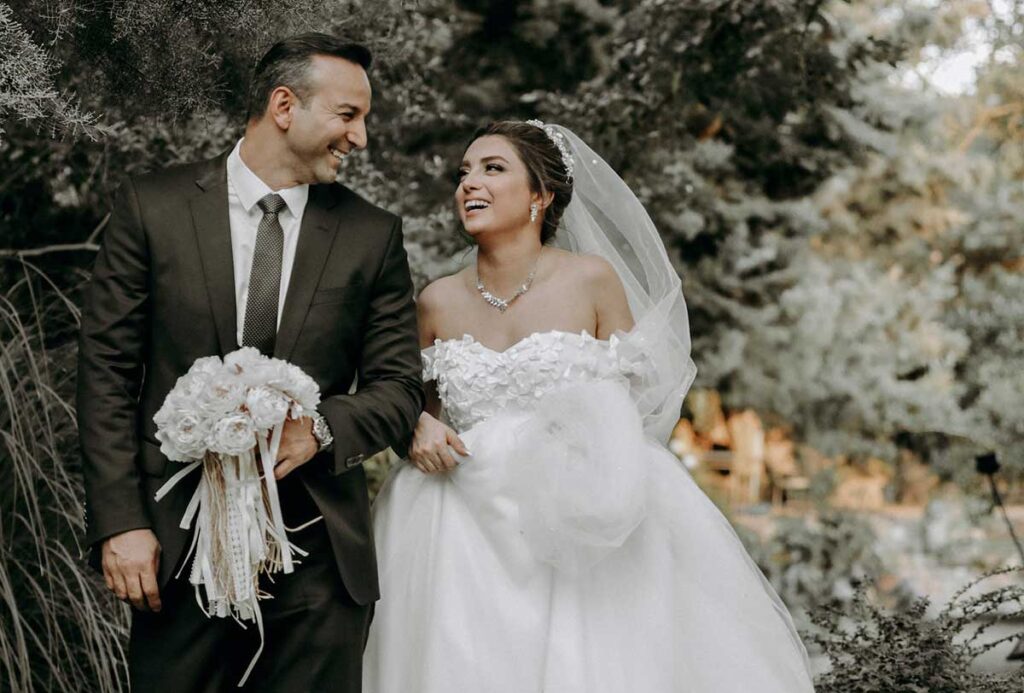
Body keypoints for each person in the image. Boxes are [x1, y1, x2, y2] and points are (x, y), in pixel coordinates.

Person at [362, 120, 816, 692]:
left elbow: (634, 397)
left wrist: (590, 463)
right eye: (464, 173)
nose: (468, 184)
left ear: (541, 196)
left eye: (492, 169)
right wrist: (416, 426)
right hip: (458, 527)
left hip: (575, 515)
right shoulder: (436, 299)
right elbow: (412, 407)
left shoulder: (592, 280)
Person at [76, 33, 423, 692]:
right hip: (175, 550)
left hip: (320, 555)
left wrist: (319, 427)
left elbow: (399, 387)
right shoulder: (153, 208)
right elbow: (106, 374)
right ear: (285, 105)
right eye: (349, 115)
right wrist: (120, 521)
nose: (362, 137)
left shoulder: (372, 236)